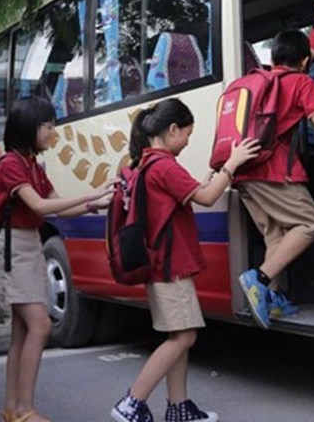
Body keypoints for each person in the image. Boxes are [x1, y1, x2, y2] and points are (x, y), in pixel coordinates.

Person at [110, 98, 259, 422]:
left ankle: (179, 407)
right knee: (184, 336)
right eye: (187, 134)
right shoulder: (163, 165)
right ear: (172, 129)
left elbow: (191, 194)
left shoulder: (146, 164)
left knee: (178, 336)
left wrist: (214, 174)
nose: (189, 141)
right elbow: (206, 198)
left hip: (164, 264)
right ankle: (132, 402)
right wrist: (232, 165)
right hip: (170, 266)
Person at [0, 96, 114, 422]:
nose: (52, 132)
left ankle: (13, 408)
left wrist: (94, 202)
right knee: (40, 325)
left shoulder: (32, 164)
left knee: (22, 331)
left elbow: (58, 205)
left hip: (26, 244)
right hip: (13, 248)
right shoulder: (12, 164)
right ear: (28, 126)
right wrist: (92, 195)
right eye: (47, 126)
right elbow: (40, 207)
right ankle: (24, 409)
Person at [235, 29, 314, 329]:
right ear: (304, 61)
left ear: (274, 57)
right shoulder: (301, 81)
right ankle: (259, 280)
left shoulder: (255, 82)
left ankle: (271, 299)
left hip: (243, 171)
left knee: (275, 236)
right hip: (272, 171)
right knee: (309, 223)